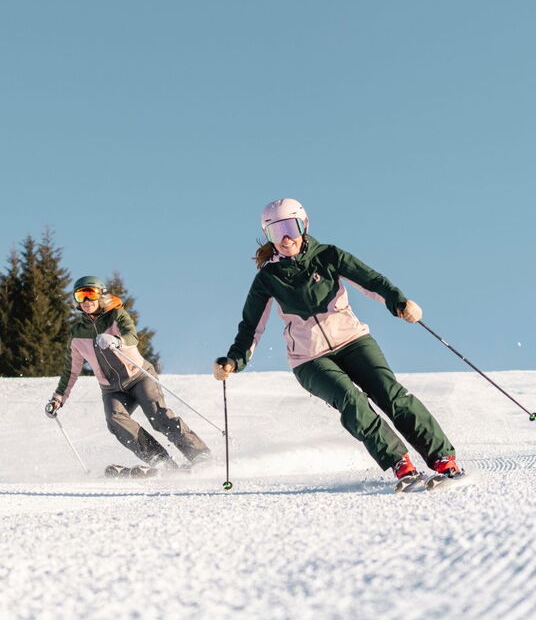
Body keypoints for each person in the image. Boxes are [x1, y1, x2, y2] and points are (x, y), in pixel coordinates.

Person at [213, 198, 461, 489]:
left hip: (353, 341)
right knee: (351, 402)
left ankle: (444, 460)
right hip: (309, 360)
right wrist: (232, 360)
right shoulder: (267, 279)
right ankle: (401, 465)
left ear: (303, 226)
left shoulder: (328, 256)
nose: (285, 238)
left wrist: (400, 303)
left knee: (390, 394)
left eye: (290, 227)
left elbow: (371, 280)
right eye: (274, 232)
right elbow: (250, 328)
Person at [46, 276, 211, 469]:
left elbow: (132, 336)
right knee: (115, 421)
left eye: (91, 294)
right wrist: (58, 398)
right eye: (81, 295)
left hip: (138, 377)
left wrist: (117, 340)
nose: (86, 301)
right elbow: (71, 371)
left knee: (157, 416)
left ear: (100, 295)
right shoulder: (77, 333)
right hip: (111, 388)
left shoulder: (116, 315)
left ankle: (199, 454)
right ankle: (161, 461)